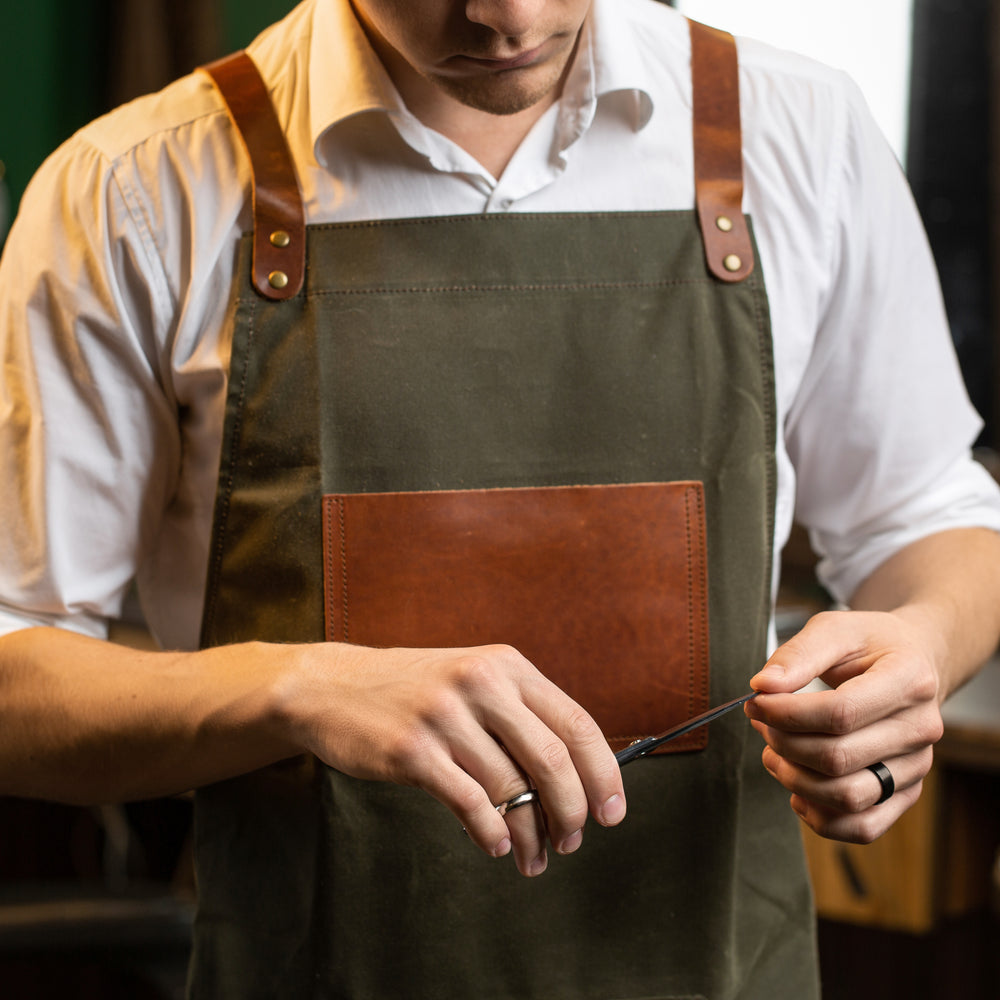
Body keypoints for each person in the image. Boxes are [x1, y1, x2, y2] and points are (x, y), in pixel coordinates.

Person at [2, 0, 1000, 996]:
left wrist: (916, 649)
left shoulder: (802, 131)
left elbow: (931, 517)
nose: (503, 15)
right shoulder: (134, 190)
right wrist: (296, 686)